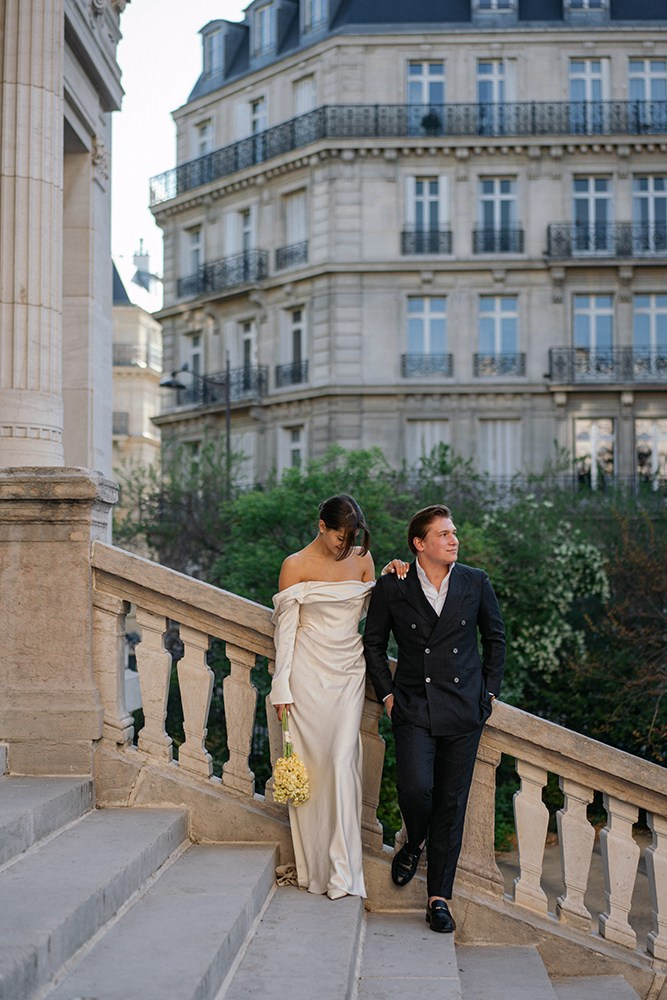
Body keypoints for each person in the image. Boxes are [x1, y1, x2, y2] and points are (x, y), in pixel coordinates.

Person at [363, 504, 505, 933]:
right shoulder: (394, 583)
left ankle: (439, 898)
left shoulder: (475, 581)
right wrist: (387, 695)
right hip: (413, 706)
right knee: (416, 789)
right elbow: (373, 643)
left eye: (454, 532)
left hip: (464, 708)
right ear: (419, 544)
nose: (454, 539)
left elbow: (495, 638)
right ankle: (416, 841)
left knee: (451, 804)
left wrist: (489, 695)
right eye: (443, 534)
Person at [270, 493, 376, 900]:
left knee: (341, 761)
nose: (344, 546)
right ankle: (317, 867)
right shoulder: (294, 566)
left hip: (349, 672)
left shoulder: (363, 560)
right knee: (313, 771)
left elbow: (370, 614)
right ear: (322, 527)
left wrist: (393, 573)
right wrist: (282, 684)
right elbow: (287, 631)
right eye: (339, 537)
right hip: (307, 678)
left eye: (352, 538)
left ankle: (344, 871)